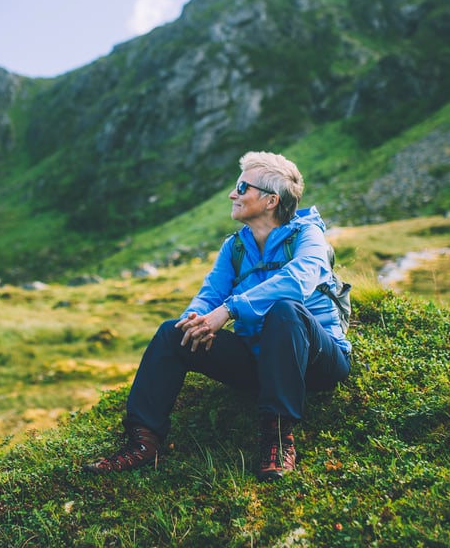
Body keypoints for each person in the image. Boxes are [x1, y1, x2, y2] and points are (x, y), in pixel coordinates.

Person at [83, 151, 352, 481]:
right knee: (173, 333)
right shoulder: (235, 247)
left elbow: (298, 282)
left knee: (285, 310)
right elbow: (211, 293)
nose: (232, 194)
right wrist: (196, 319)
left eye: (242, 187)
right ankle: (142, 442)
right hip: (258, 363)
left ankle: (278, 437)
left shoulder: (307, 235)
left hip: (317, 363)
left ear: (270, 201)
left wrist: (229, 310)